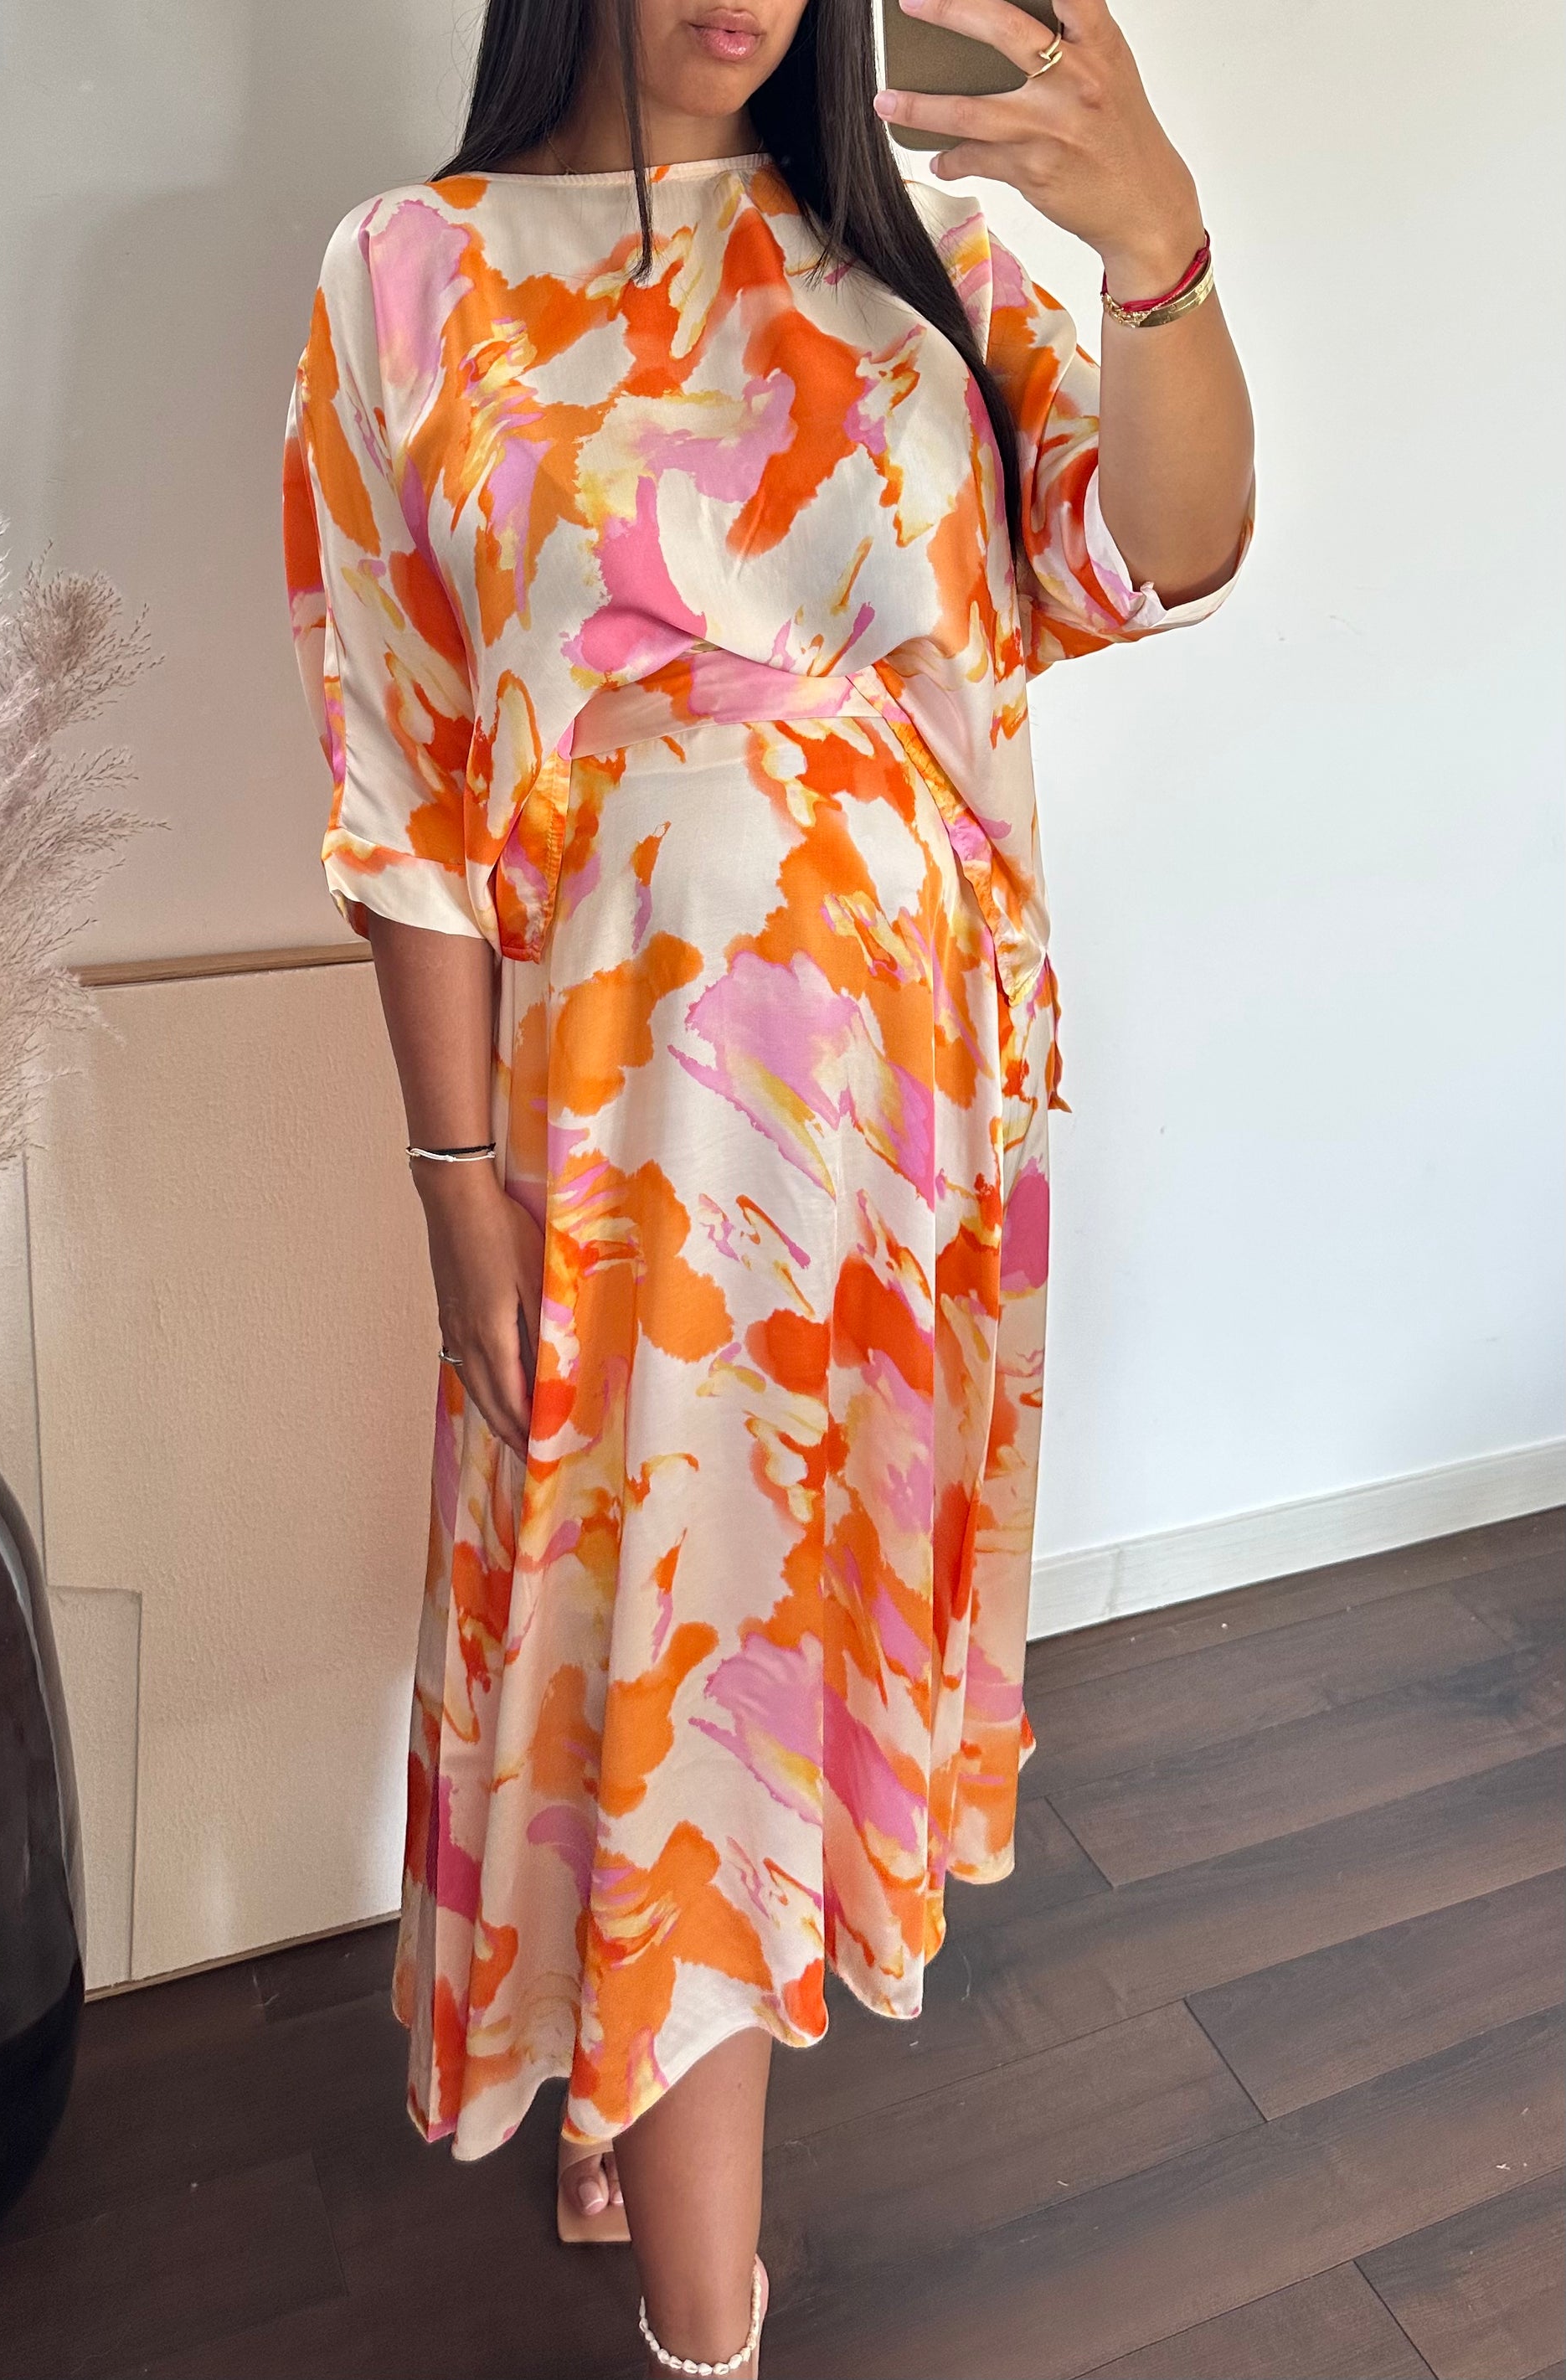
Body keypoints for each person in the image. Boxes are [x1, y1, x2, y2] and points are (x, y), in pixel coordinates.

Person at [281, 0, 1254, 2368]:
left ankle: (627, 2098)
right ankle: (702, 2325)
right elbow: (399, 775)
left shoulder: (912, 264)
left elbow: (1160, 552)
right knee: (676, 1641)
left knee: (771, 1626)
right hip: (630, 1114)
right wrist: (452, 1173)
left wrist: (1156, 250)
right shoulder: (409, 276)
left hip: (909, 1113)